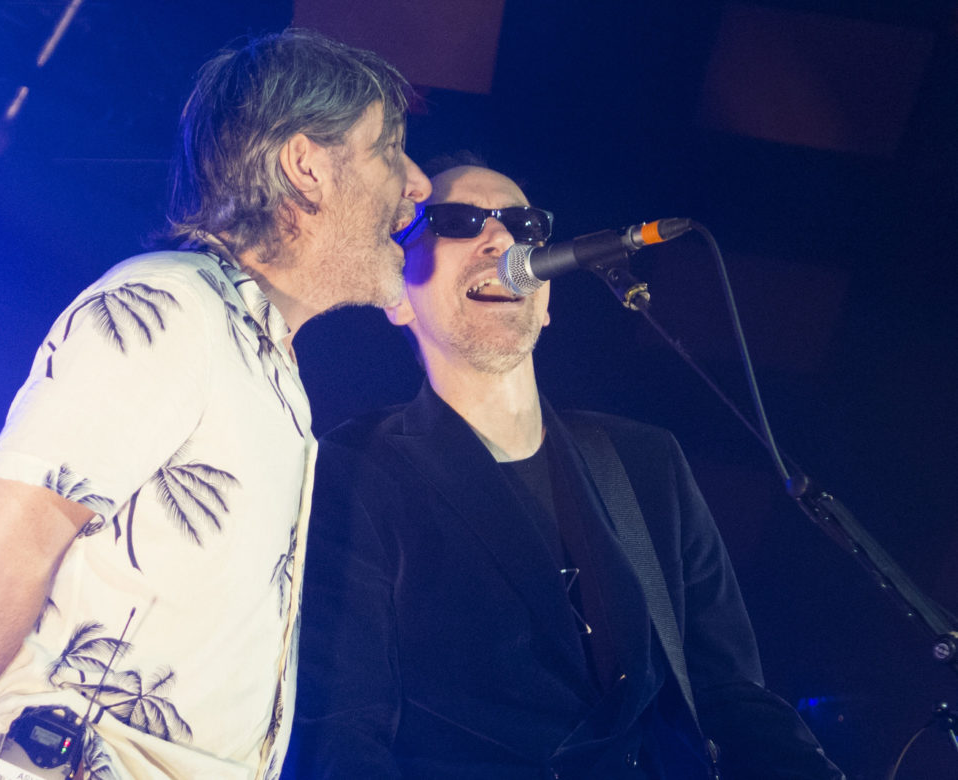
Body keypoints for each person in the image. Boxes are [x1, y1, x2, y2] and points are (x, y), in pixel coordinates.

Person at [0, 29, 430, 780]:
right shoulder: (169, 305)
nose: (418, 183)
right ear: (306, 166)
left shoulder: (263, 360)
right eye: (389, 150)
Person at [290, 161, 844, 779]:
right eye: (458, 222)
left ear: (547, 297)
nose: (500, 241)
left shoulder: (645, 462)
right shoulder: (354, 471)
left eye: (524, 225)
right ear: (398, 298)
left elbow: (731, 698)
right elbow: (341, 737)